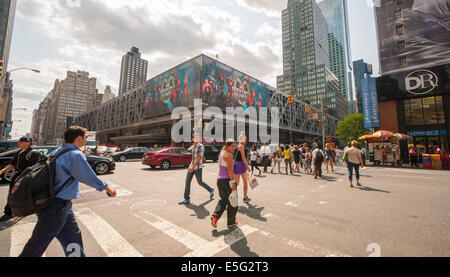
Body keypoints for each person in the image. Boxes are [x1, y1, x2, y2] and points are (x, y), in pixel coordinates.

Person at [19, 126, 117, 257]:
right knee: (37, 245)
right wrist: (107, 187)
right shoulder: (75, 154)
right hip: (56, 206)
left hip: (57, 204)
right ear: (79, 138)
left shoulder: (56, 151)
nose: (86, 140)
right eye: (86, 137)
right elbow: (87, 176)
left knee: (72, 237)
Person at [0, 137, 43, 222]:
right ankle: (8, 213)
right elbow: (12, 164)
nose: (18, 143)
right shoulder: (18, 152)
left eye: (21, 141)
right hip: (16, 176)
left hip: (26, 178)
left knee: (22, 196)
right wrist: (2, 171)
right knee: (12, 194)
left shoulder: (34, 153)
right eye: (19, 141)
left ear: (28, 143)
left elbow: (35, 168)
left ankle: (21, 212)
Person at [211, 139, 238, 229]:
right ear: (227, 145)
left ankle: (215, 216)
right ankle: (231, 222)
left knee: (224, 200)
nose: (234, 148)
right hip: (228, 181)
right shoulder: (229, 155)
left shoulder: (221, 153)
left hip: (220, 180)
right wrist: (233, 183)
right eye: (233, 146)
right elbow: (230, 171)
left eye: (235, 146)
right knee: (233, 202)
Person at [179, 134, 214, 205]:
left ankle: (211, 189)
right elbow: (193, 157)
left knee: (200, 182)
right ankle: (186, 199)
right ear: (192, 139)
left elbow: (199, 157)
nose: (197, 138)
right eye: (195, 137)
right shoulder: (193, 146)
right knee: (187, 181)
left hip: (197, 167)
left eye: (198, 137)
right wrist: (191, 166)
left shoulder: (201, 146)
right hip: (191, 166)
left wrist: (193, 167)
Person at [234, 132, 251, 203]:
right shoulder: (242, 146)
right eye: (244, 139)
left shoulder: (237, 145)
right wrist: (248, 167)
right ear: (241, 139)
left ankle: (231, 197)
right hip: (241, 165)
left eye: (246, 139)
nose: (246, 140)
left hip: (236, 165)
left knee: (236, 183)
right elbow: (243, 158)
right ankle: (245, 197)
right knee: (245, 182)